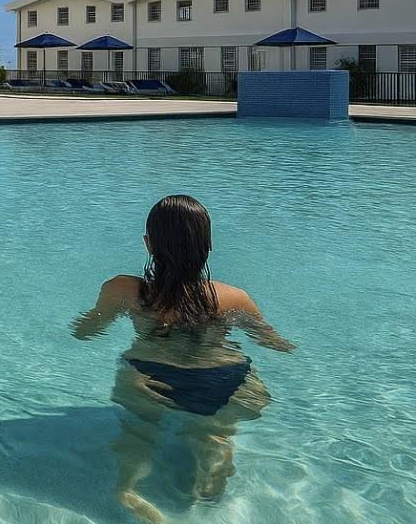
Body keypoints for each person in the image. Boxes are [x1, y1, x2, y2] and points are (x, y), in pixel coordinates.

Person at [73, 194, 293, 522]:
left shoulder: (124, 289)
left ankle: (128, 489)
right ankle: (210, 477)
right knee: (216, 431)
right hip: (227, 380)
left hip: (152, 379)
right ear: (208, 246)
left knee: (140, 429)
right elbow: (274, 343)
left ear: (149, 244)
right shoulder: (234, 297)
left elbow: (87, 331)